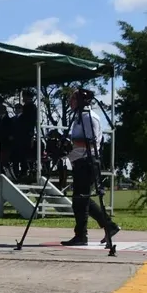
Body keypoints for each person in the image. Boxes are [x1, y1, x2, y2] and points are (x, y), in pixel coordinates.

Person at [60, 89, 120, 246]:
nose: (70, 103)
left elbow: (91, 141)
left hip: (88, 162)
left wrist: (70, 144)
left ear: (80, 100)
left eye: (73, 99)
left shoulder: (89, 117)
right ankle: (109, 226)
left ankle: (81, 235)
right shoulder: (79, 117)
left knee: (80, 200)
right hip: (79, 161)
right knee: (82, 199)